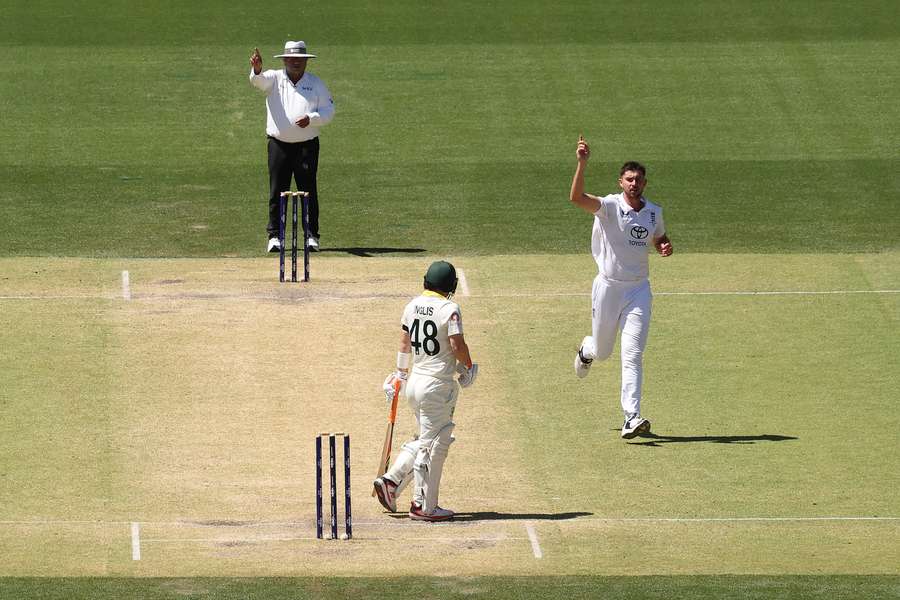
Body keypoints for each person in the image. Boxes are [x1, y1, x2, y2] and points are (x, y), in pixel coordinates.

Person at [569, 135, 673, 439]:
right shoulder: (609, 207)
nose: (634, 184)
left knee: (633, 354)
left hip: (639, 291)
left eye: (638, 180)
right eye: (629, 179)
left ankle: (632, 416)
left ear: (645, 183)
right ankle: (587, 349)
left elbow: (659, 237)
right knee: (603, 351)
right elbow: (576, 198)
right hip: (608, 288)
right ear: (621, 182)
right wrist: (582, 163)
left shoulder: (654, 212)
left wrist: (664, 246)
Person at [373, 261, 478, 521]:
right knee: (435, 445)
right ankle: (423, 506)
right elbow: (456, 344)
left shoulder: (412, 306)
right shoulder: (450, 309)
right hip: (437, 386)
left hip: (415, 383)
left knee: (424, 439)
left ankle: (391, 482)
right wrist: (468, 366)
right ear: (451, 285)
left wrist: (400, 375)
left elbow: (404, 343)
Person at [249, 40, 334, 253]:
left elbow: (328, 111)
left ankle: (312, 236)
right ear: (285, 60)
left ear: (306, 61)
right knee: (277, 190)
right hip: (278, 145)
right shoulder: (274, 78)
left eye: (300, 59)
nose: (296, 62)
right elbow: (258, 82)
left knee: (308, 191)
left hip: (307, 146)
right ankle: (274, 236)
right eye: (292, 58)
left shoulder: (316, 83)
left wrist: (312, 119)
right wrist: (257, 69)